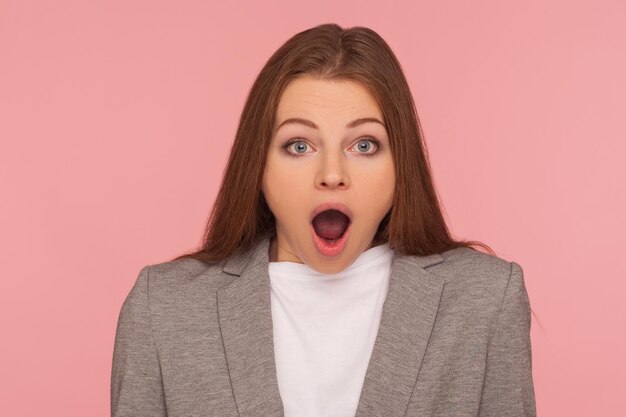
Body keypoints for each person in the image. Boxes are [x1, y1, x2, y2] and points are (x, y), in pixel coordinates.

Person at [110, 23, 537, 417]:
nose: (332, 175)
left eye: (364, 145)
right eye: (299, 145)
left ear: (400, 165)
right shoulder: (163, 308)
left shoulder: (485, 301)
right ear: (258, 166)